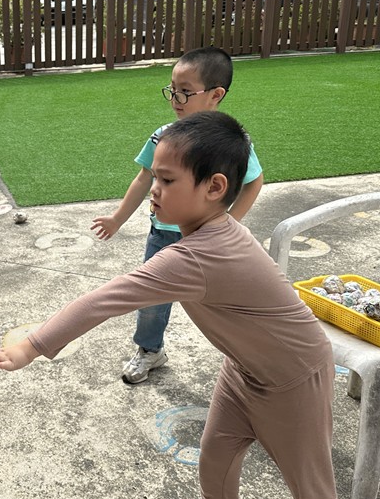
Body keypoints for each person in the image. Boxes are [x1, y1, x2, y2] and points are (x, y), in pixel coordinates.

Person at [0, 112, 349, 499]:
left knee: (307, 478)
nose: (154, 188)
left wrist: (32, 345)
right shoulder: (202, 237)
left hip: (294, 377)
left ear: (214, 187)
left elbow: (109, 298)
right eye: (154, 176)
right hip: (244, 370)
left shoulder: (198, 255)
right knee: (215, 458)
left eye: (167, 180)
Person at [91, 47, 264, 384]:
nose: (175, 98)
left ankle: (247, 357)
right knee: (151, 300)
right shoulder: (164, 136)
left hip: (211, 240)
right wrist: (117, 219)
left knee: (227, 302)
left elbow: (254, 182)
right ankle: (149, 350)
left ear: (215, 95)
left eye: (185, 91)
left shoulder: (230, 143)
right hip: (164, 235)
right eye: (172, 89)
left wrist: (230, 223)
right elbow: (144, 178)